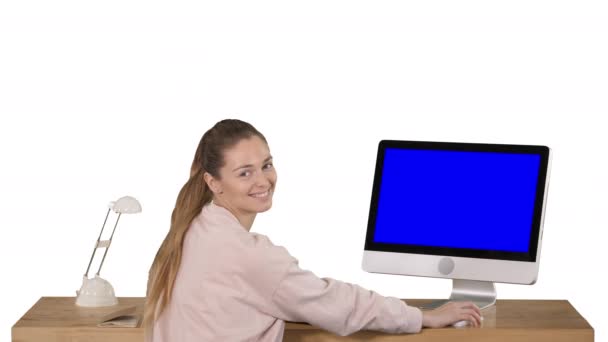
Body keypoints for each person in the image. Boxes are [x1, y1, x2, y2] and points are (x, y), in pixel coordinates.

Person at [143, 119, 482, 341]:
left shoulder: (192, 230)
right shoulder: (248, 255)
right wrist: (420, 317)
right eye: (244, 172)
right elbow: (334, 303)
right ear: (213, 182)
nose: (263, 180)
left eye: (267, 165)